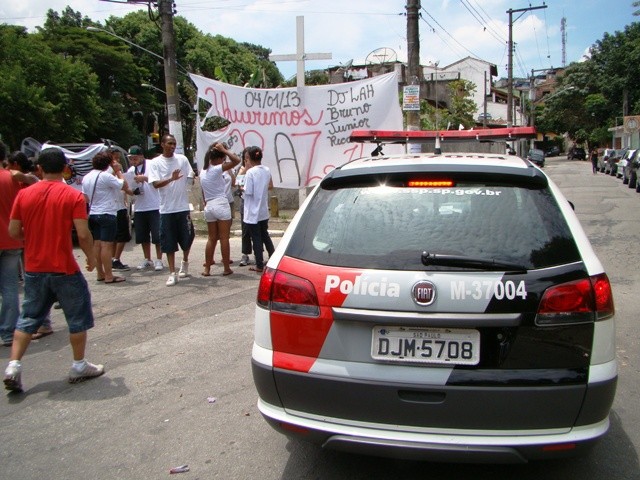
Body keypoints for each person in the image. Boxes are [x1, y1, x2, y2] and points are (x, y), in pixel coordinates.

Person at [4, 148, 104, 392]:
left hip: (34, 268)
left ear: (39, 169)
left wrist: (35, 236)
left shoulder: (24, 195)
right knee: (77, 317)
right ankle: (79, 365)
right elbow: (82, 233)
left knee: (28, 317)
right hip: (64, 268)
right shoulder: (73, 196)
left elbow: (14, 232)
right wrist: (91, 258)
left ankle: (13, 365)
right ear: (66, 169)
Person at [0, 143, 37, 347]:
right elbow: (34, 183)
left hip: (11, 239)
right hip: (11, 239)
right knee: (10, 288)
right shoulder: (13, 178)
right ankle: (7, 333)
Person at [147, 134, 195, 286]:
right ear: (162, 144)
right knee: (168, 242)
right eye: (169, 143)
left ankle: (185, 262)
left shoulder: (182, 159)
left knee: (187, 238)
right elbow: (154, 184)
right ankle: (172, 273)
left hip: (182, 208)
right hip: (166, 209)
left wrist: (190, 179)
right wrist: (170, 179)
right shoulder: (155, 163)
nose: (172, 146)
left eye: (174, 143)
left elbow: (190, 173)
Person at [82, 151, 128, 284]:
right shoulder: (105, 176)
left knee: (97, 244)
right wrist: (118, 170)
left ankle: (100, 273)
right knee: (107, 245)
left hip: (93, 213)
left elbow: (85, 197)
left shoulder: (87, 177)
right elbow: (124, 185)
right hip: (107, 213)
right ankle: (109, 275)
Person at [200, 142, 241, 276]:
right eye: (222, 158)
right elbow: (236, 160)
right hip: (221, 204)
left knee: (211, 239)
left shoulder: (203, 171)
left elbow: (203, 192)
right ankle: (226, 268)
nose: (223, 161)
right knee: (224, 238)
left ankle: (207, 269)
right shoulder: (216, 169)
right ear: (218, 159)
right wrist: (225, 150)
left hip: (209, 206)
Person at [126, 145, 164, 271]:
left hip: (154, 204)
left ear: (142, 156)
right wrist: (133, 190)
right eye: (131, 159)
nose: (133, 161)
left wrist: (145, 178)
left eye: (135, 158)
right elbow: (130, 189)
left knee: (157, 235)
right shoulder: (131, 170)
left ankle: (159, 259)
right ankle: (147, 259)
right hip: (140, 206)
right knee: (142, 236)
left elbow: (158, 182)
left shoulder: (152, 165)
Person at [242, 146, 275, 273]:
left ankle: (259, 264)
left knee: (256, 237)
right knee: (265, 235)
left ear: (249, 158)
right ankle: (273, 256)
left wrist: (241, 190)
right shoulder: (266, 170)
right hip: (263, 210)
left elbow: (248, 192)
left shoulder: (251, 173)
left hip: (252, 211)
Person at [108, 148, 133, 272]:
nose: (118, 161)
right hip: (115, 207)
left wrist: (130, 193)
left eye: (119, 158)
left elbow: (125, 188)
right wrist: (117, 171)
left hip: (119, 204)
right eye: (115, 158)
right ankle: (115, 259)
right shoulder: (109, 171)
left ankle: (114, 258)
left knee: (116, 236)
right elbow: (124, 184)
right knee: (122, 236)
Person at [235, 150, 253, 267]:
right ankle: (245, 254)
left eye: (249, 158)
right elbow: (238, 183)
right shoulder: (242, 169)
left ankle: (258, 253)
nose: (247, 160)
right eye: (245, 158)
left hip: (255, 203)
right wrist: (245, 169)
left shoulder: (258, 170)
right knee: (245, 230)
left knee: (258, 231)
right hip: (245, 203)